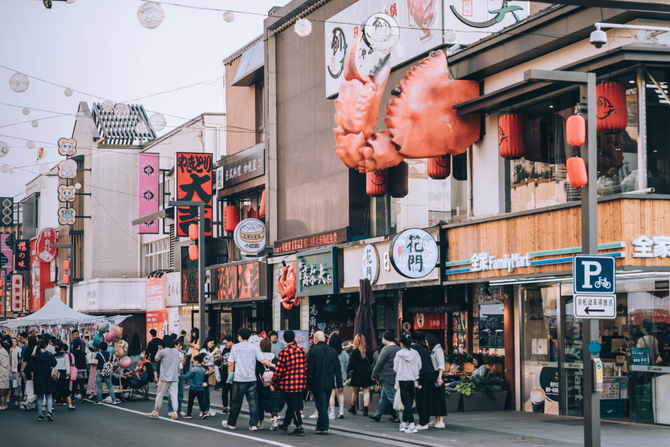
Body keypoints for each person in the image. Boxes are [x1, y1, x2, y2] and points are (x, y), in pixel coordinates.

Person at [222, 328, 275, 431]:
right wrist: (275, 365)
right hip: (252, 379)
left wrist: (231, 377)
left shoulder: (235, 347)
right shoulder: (254, 347)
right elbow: (263, 361)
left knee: (236, 403)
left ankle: (231, 423)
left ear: (240, 337)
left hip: (238, 378)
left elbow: (231, 364)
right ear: (249, 336)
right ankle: (253, 425)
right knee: (253, 403)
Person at [270, 330, 307, 436]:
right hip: (300, 383)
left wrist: (273, 383)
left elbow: (278, 371)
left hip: (289, 384)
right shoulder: (302, 351)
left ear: (284, 340)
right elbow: (305, 367)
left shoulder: (283, 353)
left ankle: (299, 427)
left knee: (293, 405)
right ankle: (285, 425)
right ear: (294, 339)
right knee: (292, 404)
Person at [308, 331, 343, 435]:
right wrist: (339, 383)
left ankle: (324, 427)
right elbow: (338, 368)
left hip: (317, 382)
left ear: (315, 339)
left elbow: (310, 370)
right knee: (324, 404)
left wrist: (308, 384)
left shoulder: (313, 351)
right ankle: (319, 426)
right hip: (329, 382)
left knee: (321, 405)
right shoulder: (333, 351)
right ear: (324, 339)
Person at [147, 335, 181, 419]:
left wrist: (159, 349)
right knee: (174, 395)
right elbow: (177, 363)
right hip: (174, 376)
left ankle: (156, 411)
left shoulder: (163, 351)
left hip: (164, 377)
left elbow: (156, 359)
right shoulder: (176, 351)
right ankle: (175, 412)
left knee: (160, 394)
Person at [370, 331, 400, 423]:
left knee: (392, 396)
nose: (382, 340)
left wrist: (374, 374)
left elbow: (379, 363)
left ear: (385, 338)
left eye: (383, 338)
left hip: (386, 376)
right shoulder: (398, 348)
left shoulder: (386, 349)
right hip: (395, 375)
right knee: (384, 396)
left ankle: (400, 415)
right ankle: (378, 414)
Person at [394, 334, 420, 434]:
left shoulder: (399, 354)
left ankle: (412, 424)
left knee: (406, 403)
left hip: (402, 379)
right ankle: (404, 423)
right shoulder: (415, 353)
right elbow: (419, 366)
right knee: (409, 401)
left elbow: (395, 368)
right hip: (413, 379)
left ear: (401, 343)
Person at [410, 335, 434, 430]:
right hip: (431, 374)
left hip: (422, 374)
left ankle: (422, 422)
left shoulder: (411, 350)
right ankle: (426, 420)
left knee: (420, 399)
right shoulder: (423, 349)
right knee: (428, 398)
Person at [348, 333, 373, 416]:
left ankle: (353, 408)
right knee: (366, 391)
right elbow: (372, 361)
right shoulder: (369, 350)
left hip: (357, 372)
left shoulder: (355, 351)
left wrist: (348, 369)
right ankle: (365, 409)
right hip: (367, 371)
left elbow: (352, 363)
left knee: (355, 391)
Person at [256, 338, 279, 430]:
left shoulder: (259, 357)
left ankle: (260, 422)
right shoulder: (274, 357)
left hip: (261, 383)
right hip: (272, 383)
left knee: (260, 403)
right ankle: (275, 421)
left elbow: (256, 371)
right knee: (273, 402)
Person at [32, 339, 56, 421]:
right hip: (48, 377)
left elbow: (31, 367)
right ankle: (49, 412)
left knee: (40, 396)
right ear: (46, 346)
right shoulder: (49, 354)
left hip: (37, 378)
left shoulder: (34, 356)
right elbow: (54, 363)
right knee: (49, 395)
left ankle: (40, 415)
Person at [426, 334, 446, 429]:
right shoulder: (435, 350)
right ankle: (436, 419)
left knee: (439, 397)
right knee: (435, 397)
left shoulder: (438, 350)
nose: (426, 344)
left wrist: (439, 377)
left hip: (437, 375)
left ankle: (441, 420)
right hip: (435, 375)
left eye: (426, 342)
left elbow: (441, 365)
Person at [179, 353, 207, 419]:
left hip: (193, 387)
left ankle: (189, 414)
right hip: (200, 388)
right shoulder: (203, 369)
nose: (193, 362)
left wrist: (179, 377)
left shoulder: (194, 369)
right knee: (201, 401)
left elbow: (187, 376)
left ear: (196, 361)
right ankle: (204, 412)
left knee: (191, 401)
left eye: (194, 361)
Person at [328, 333, 348, 420]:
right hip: (342, 376)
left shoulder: (329, 352)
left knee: (332, 395)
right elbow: (347, 365)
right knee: (341, 393)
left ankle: (332, 413)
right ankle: (341, 412)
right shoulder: (344, 353)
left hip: (331, 376)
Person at [200, 337, 220, 418]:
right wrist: (215, 351)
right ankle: (205, 408)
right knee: (206, 390)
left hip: (211, 368)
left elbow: (210, 360)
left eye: (213, 343)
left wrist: (216, 358)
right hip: (207, 369)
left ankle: (206, 407)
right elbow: (205, 359)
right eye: (211, 343)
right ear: (207, 342)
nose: (212, 345)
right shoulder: (203, 351)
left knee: (210, 388)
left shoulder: (209, 351)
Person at [168, 336, 186, 418]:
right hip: (175, 371)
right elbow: (176, 362)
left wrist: (184, 359)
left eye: (181, 345)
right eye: (178, 345)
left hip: (180, 371)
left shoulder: (181, 352)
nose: (180, 347)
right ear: (174, 345)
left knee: (180, 392)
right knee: (173, 391)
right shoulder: (174, 352)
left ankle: (178, 409)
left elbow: (182, 364)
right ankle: (171, 409)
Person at [53, 343, 75, 411]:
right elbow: (67, 365)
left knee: (53, 390)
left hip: (55, 373)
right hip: (62, 373)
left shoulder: (53, 356)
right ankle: (70, 405)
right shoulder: (65, 355)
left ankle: (51, 406)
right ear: (62, 348)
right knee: (66, 390)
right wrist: (68, 374)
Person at [20, 335, 37, 410]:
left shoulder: (28, 349)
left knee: (29, 385)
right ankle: (33, 402)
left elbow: (25, 361)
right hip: (37, 370)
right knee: (36, 386)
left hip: (29, 370)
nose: (26, 341)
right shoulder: (37, 349)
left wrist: (22, 370)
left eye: (27, 340)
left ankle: (29, 401)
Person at [219, 335, 234, 413]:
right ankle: (225, 407)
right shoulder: (225, 349)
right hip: (224, 372)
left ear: (230, 341)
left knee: (233, 391)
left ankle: (232, 407)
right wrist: (220, 357)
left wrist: (230, 359)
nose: (225, 345)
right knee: (224, 391)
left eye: (226, 343)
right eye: (224, 343)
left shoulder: (235, 349)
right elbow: (222, 361)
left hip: (232, 372)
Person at [0, 339, 9, 410]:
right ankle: (5, 405)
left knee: (1, 390)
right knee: (5, 389)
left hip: (1, 372)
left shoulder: (0, 353)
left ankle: (2, 405)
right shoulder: (6, 352)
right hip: (6, 371)